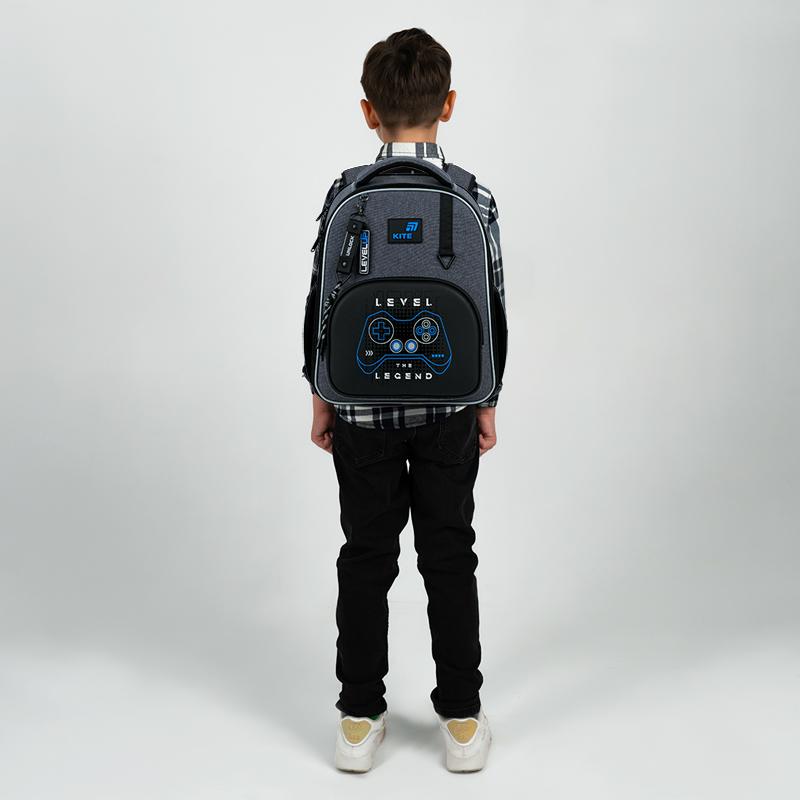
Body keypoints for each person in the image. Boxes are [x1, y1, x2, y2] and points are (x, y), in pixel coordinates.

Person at [303, 28, 506, 773]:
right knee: (449, 553)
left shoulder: (345, 195)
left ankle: (358, 720)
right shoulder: (473, 198)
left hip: (360, 408)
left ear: (368, 112)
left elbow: (322, 306)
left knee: (366, 555)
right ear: (448, 105)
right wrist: (486, 399)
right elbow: (491, 310)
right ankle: (462, 721)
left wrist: (322, 395)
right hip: (450, 406)